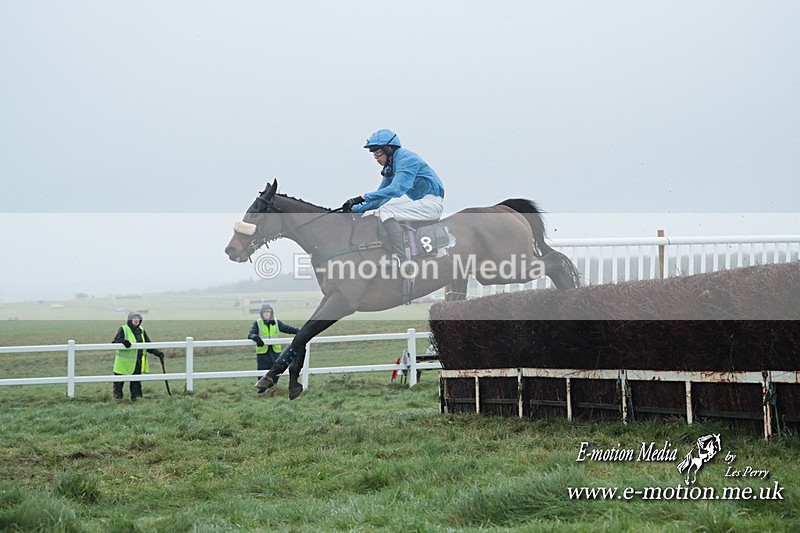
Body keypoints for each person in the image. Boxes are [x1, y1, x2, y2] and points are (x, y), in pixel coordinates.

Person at [341, 129, 445, 261]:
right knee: (379, 210)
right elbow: (380, 199)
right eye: (374, 154)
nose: (376, 158)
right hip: (421, 204)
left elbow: (396, 190)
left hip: (431, 204)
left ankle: (401, 258)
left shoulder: (406, 159)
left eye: (378, 153)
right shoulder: (391, 166)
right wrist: (353, 210)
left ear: (389, 148)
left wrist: (361, 198)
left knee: (386, 211)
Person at [112, 311, 165, 401]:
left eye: (138, 318)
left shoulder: (141, 330)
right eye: (134, 318)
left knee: (136, 382)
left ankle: (137, 399)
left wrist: (157, 353)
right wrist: (123, 341)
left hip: (137, 362)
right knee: (118, 383)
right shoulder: (123, 329)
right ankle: (118, 400)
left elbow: (148, 345)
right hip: (123, 363)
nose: (136, 320)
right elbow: (114, 342)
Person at [247, 303, 300, 393]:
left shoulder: (276, 322)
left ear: (271, 313)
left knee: (276, 371)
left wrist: (301, 331)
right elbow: (251, 334)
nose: (267, 314)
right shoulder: (257, 323)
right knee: (262, 371)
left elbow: (288, 328)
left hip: (275, 352)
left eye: (268, 312)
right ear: (261, 313)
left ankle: (273, 390)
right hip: (263, 353)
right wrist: (256, 338)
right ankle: (262, 391)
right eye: (265, 312)